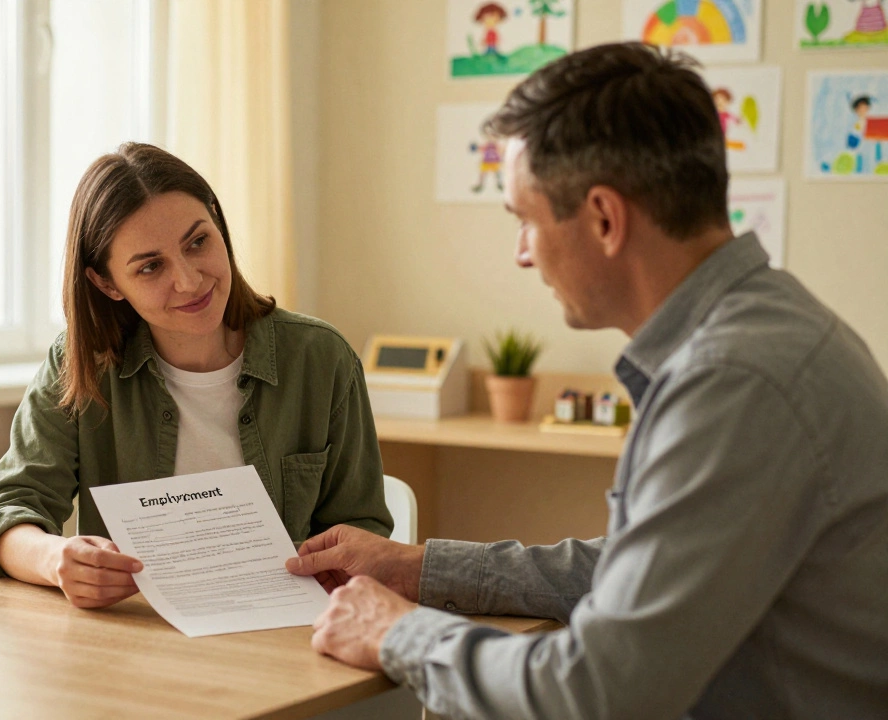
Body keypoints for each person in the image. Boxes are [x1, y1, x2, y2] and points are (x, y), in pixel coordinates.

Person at [287, 42, 888, 719]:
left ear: (604, 218)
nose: (521, 254)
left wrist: (395, 631)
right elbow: (636, 571)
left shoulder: (735, 380)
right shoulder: (762, 331)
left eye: (524, 219)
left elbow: (598, 690)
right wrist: (420, 568)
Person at [0, 142, 392, 608]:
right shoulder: (81, 364)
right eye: (151, 266)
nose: (190, 281)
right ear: (106, 283)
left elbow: (363, 530)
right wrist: (55, 559)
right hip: (136, 636)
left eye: (198, 242)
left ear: (217, 222)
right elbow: (7, 514)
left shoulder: (321, 359)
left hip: (286, 639)